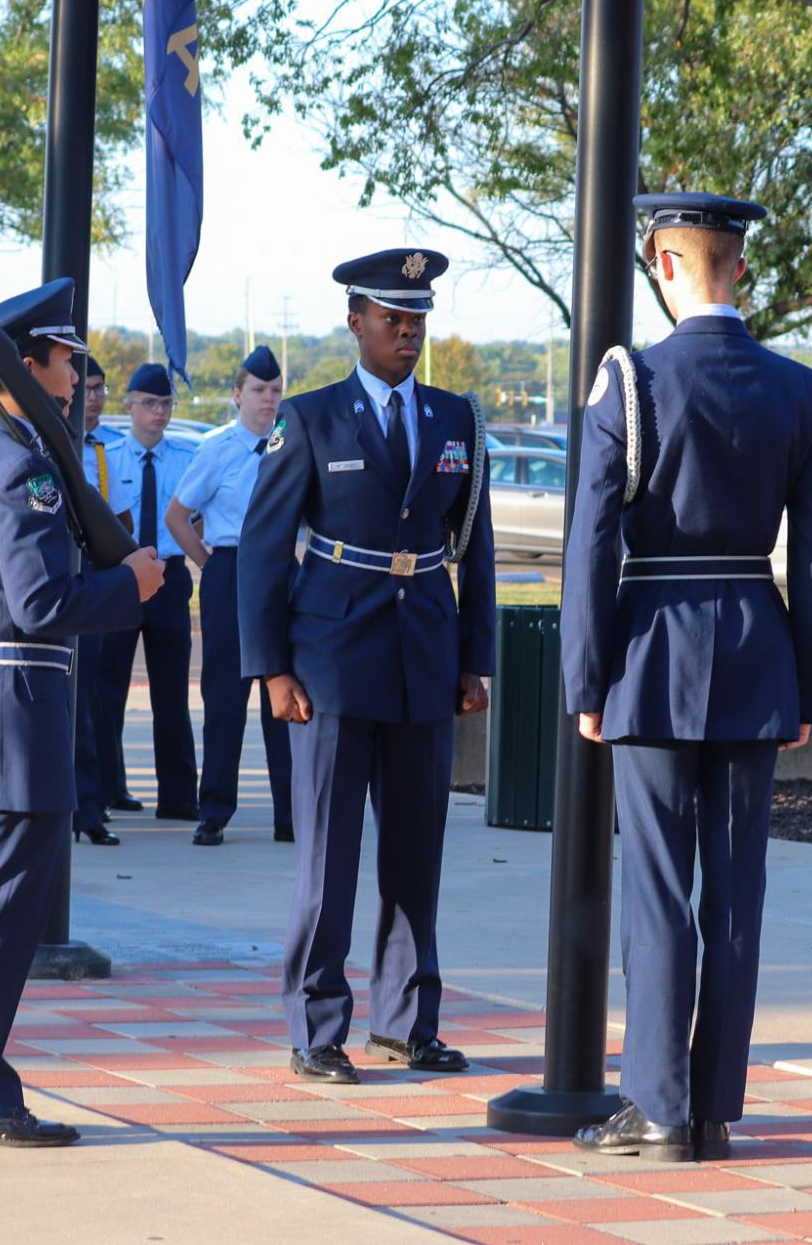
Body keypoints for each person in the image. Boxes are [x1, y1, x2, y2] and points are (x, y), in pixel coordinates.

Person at [562, 196, 812, 1161]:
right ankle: (714, 1106)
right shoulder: (796, 388)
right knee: (733, 897)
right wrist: (806, 685)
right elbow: (811, 554)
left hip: (652, 655)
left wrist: (585, 680)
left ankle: (659, 1105)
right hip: (756, 652)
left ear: (663, 265)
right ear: (739, 272)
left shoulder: (630, 381)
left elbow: (591, 540)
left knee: (657, 891)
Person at [0, 278, 163, 1148]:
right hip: (11, 721)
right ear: (27, 366)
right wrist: (127, 586)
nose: (79, 378)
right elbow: (41, 604)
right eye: (67, 361)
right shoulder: (23, 468)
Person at [238, 248, 495, 1085]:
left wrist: (474, 660)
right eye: (391, 318)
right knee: (329, 860)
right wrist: (271, 670)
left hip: (423, 649)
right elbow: (264, 555)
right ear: (356, 323)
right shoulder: (311, 418)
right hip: (331, 662)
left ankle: (406, 1021)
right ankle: (316, 1027)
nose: (407, 331)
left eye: (417, 318)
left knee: (415, 856)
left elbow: (474, 550)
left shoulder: (457, 419)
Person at [167, 346, 292, 842]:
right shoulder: (216, 450)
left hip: (280, 571)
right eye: (259, 391)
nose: (268, 399)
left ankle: (290, 815)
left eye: (276, 391)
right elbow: (177, 516)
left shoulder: (292, 444)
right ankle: (214, 811)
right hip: (231, 569)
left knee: (284, 696)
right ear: (237, 395)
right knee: (224, 696)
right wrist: (209, 563)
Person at [97, 364, 198, 820]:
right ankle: (104, 789)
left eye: (166, 404)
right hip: (121, 578)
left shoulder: (187, 457)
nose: (158, 412)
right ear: (129, 406)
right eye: (149, 403)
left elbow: (197, 514)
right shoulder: (109, 457)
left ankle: (178, 798)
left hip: (170, 578)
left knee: (172, 694)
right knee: (108, 688)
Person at [70, 355, 136, 845]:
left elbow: (124, 523)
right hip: (52, 576)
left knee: (89, 699)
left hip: (93, 576)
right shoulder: (49, 445)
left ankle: (89, 806)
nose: (91, 397)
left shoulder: (112, 451)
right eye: (84, 387)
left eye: (99, 388)